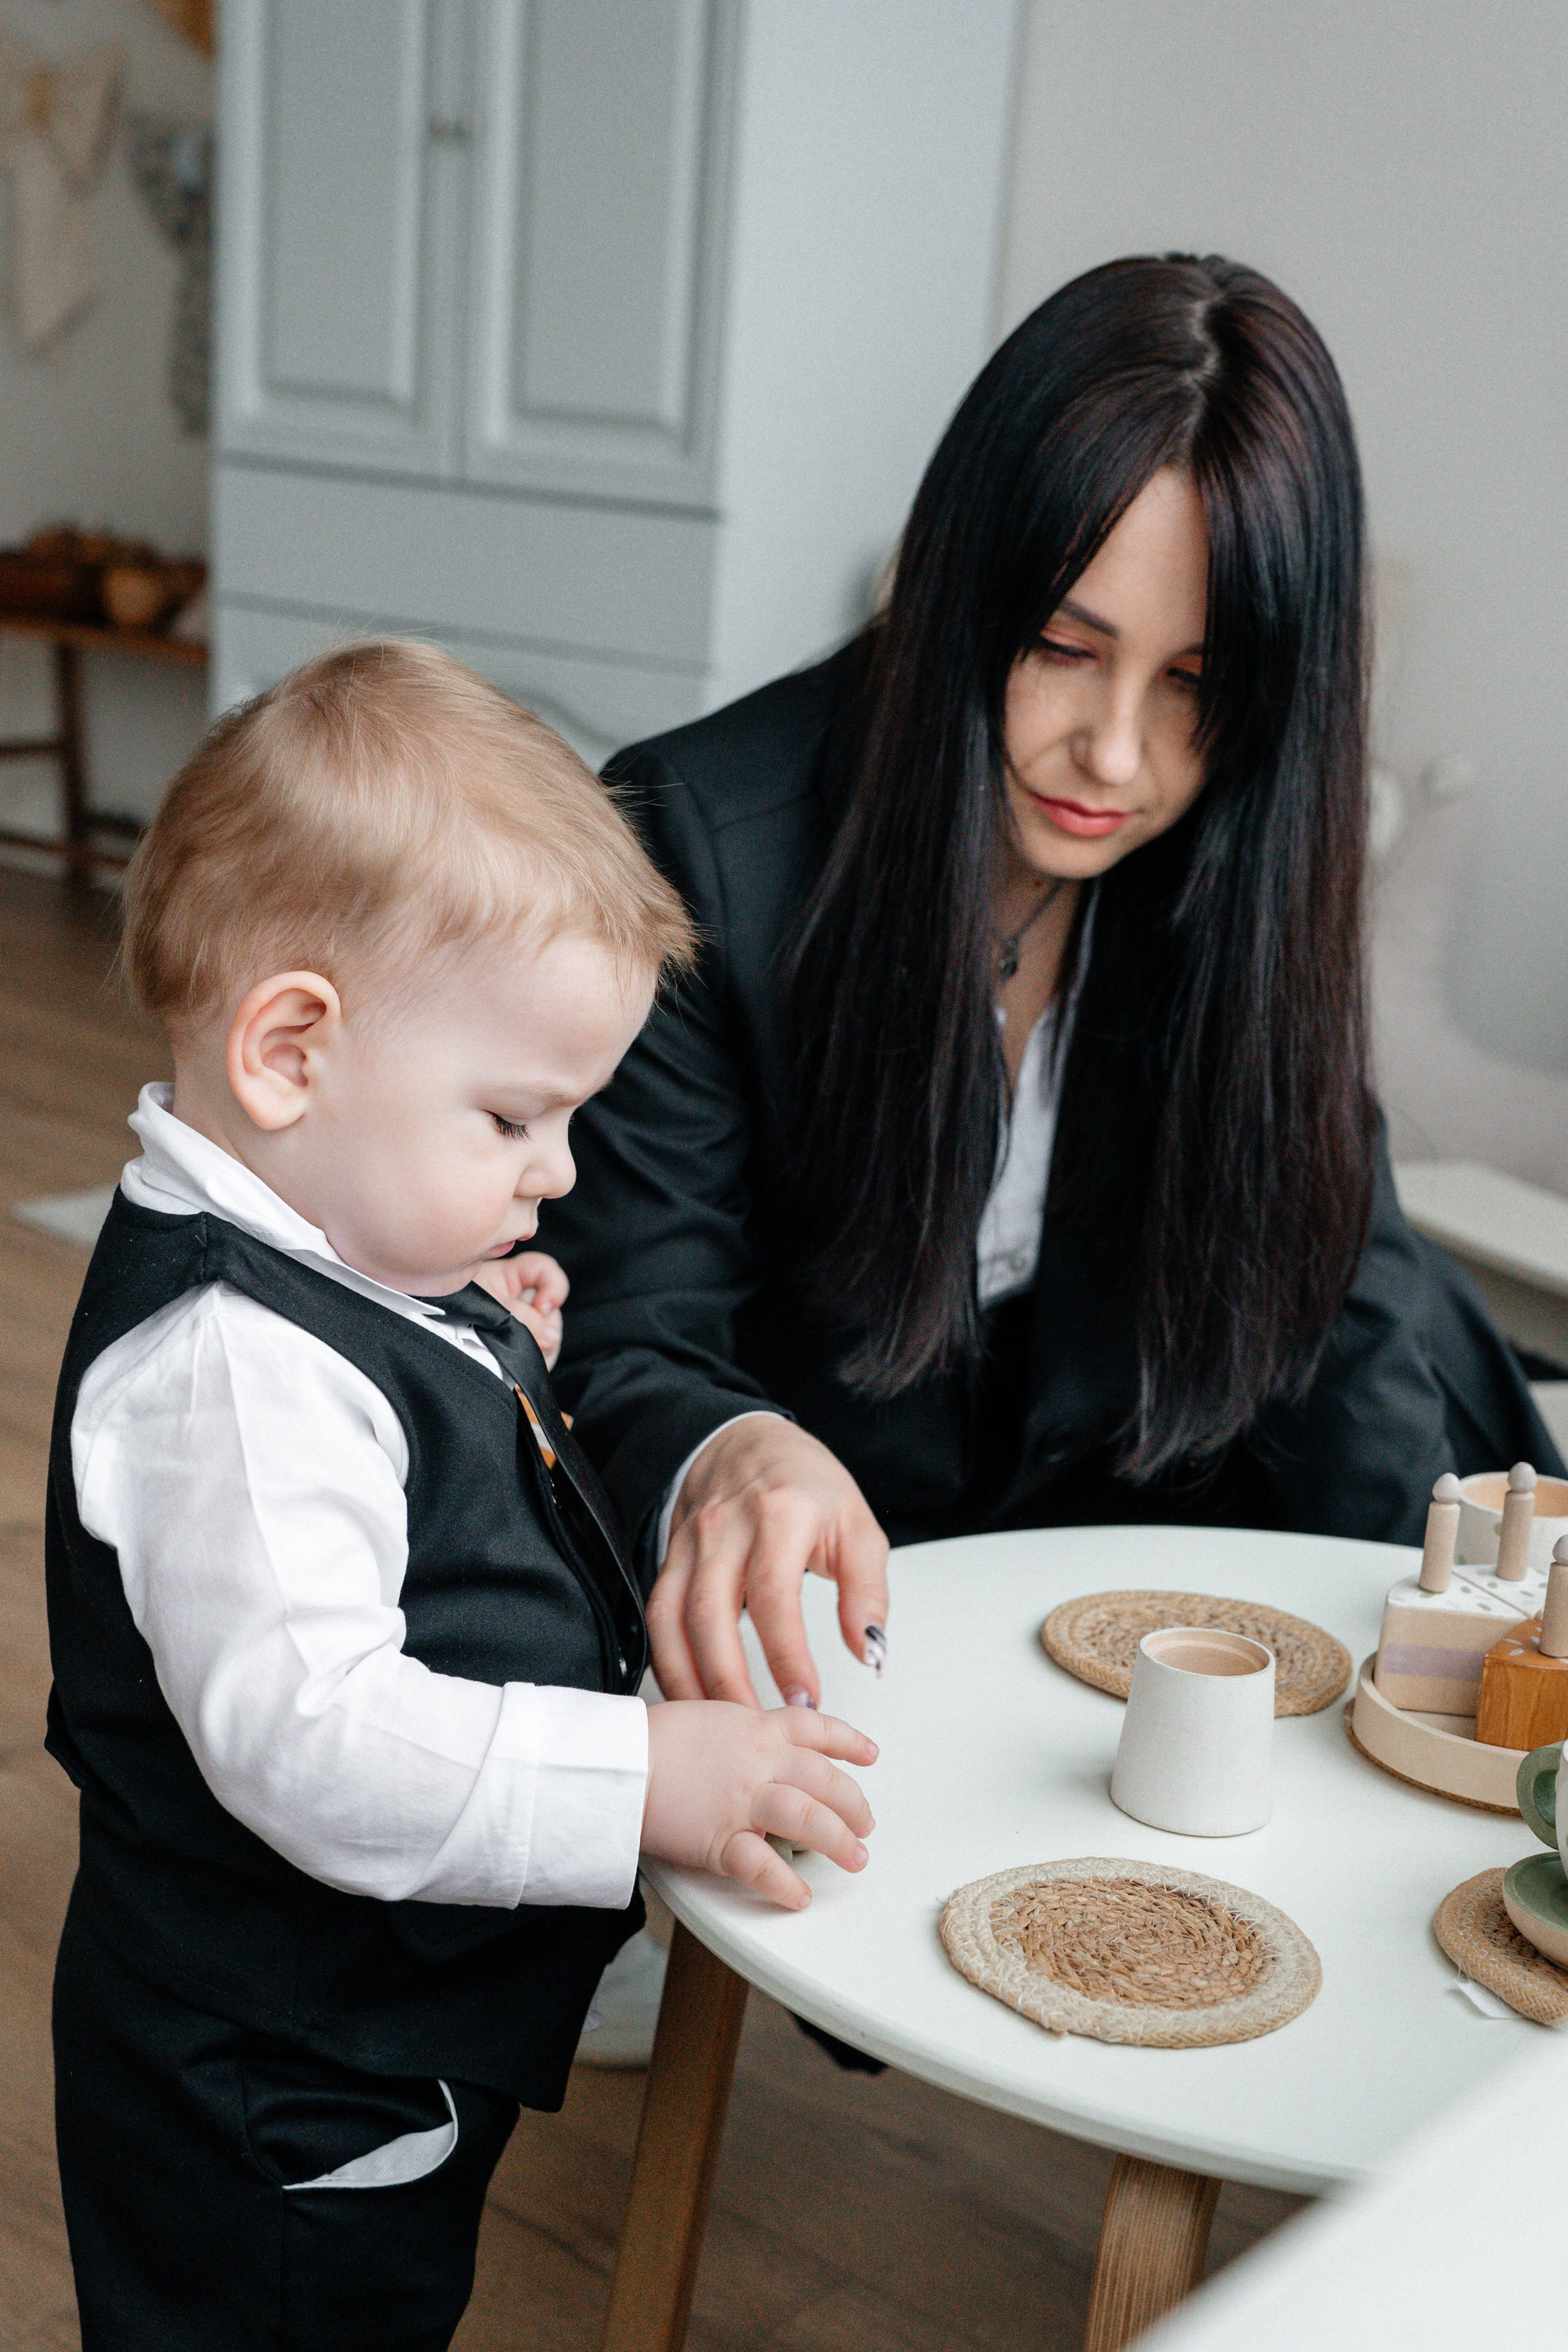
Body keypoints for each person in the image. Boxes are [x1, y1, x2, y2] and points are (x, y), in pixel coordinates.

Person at [547, 252, 1562, 1724]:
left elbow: (1328, 1273)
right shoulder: (699, 844)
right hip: (847, 1550)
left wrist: (1413, 1665)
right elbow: (637, 1325)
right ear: (961, 589)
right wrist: (728, 1447)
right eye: (1059, 651)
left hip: (1146, 1528)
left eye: (1195, 685)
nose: (1114, 755)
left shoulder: (1242, 848)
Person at [45, 643, 876, 2352]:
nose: (558, 1169)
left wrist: (463, 1332)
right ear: (292, 1052)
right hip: (280, 2095)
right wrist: (642, 1771)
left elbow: (391, 1443)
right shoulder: (232, 1375)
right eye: (513, 1116)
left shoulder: (328, 1270)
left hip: (365, 2053)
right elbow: (320, 1744)